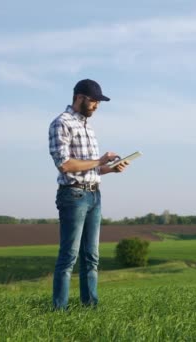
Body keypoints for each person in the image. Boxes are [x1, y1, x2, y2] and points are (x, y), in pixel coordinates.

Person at [48, 79, 128, 310]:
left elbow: (91, 167)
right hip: (73, 196)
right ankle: (59, 310)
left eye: (98, 102)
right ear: (79, 97)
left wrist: (110, 168)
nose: (96, 106)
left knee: (91, 257)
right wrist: (100, 160)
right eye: (93, 101)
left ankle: (90, 307)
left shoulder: (87, 126)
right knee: (69, 257)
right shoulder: (61, 123)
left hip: (94, 196)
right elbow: (64, 165)